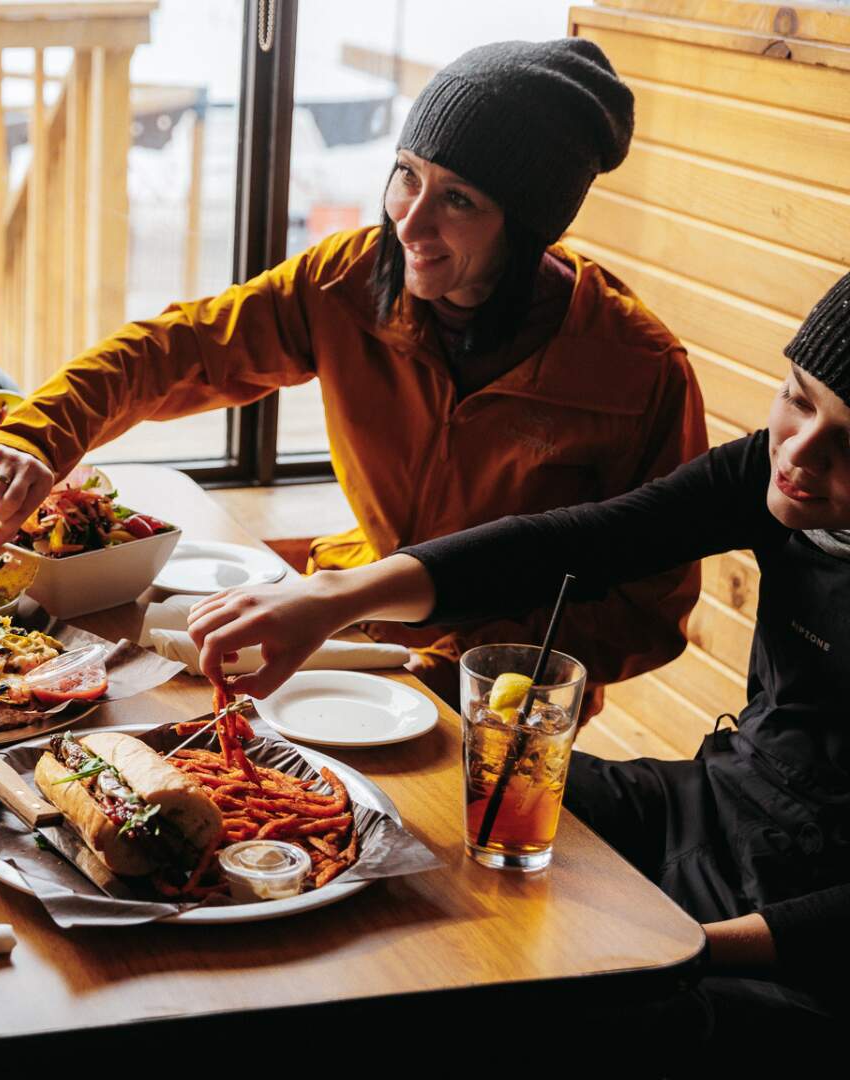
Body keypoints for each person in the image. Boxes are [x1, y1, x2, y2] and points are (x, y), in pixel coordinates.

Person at [186, 272, 850, 1052]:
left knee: (538, 1005)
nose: (800, 452)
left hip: (804, 936)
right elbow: (574, 542)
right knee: (422, 800)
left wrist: (684, 946)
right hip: (714, 802)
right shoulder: (782, 476)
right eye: (799, 398)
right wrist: (334, 598)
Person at [0, 39, 706, 712]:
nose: (410, 224)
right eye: (407, 177)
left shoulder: (634, 370)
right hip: (350, 630)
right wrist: (41, 434)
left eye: (459, 200)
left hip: (505, 698)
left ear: (529, 224)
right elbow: (184, 347)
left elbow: (649, 608)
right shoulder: (350, 278)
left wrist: (461, 655)